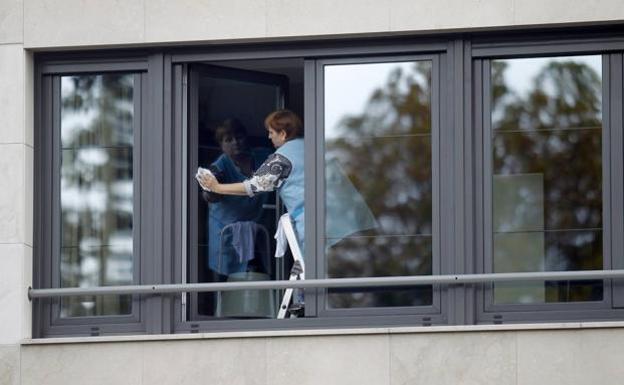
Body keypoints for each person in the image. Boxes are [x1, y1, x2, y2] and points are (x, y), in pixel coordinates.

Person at [202, 119, 271, 276]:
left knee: (257, 277)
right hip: (225, 233)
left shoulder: (263, 158)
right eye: (228, 140)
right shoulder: (220, 166)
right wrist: (211, 190)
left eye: (239, 137)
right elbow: (210, 192)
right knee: (224, 280)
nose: (235, 143)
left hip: (256, 229)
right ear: (221, 145)